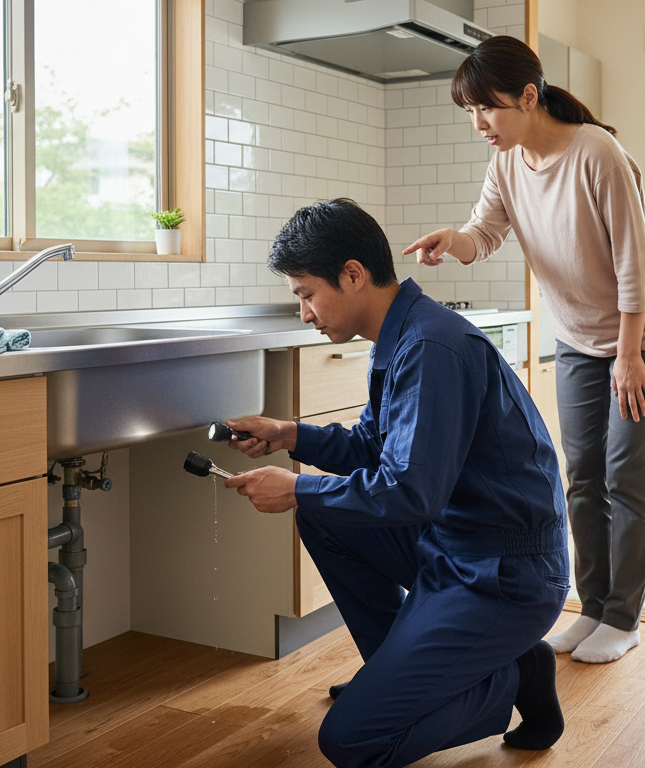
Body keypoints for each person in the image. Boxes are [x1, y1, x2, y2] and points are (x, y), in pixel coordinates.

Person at [221, 198, 570, 768]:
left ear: (353, 275)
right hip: (455, 545)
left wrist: (295, 488)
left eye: (307, 294)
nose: (305, 313)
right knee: (322, 512)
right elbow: (375, 450)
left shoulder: (431, 346)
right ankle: (405, 679)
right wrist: (290, 434)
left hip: (505, 574)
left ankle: (508, 676)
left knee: (351, 742)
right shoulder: (401, 333)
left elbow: (410, 491)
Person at [404, 35, 645, 665]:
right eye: (470, 112)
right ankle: (592, 610)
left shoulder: (598, 154)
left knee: (627, 477)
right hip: (578, 337)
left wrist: (631, 355)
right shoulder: (508, 162)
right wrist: (453, 240)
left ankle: (624, 616)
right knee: (581, 477)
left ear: (529, 96)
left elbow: (634, 265)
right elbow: (486, 232)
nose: (479, 124)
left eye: (489, 109)